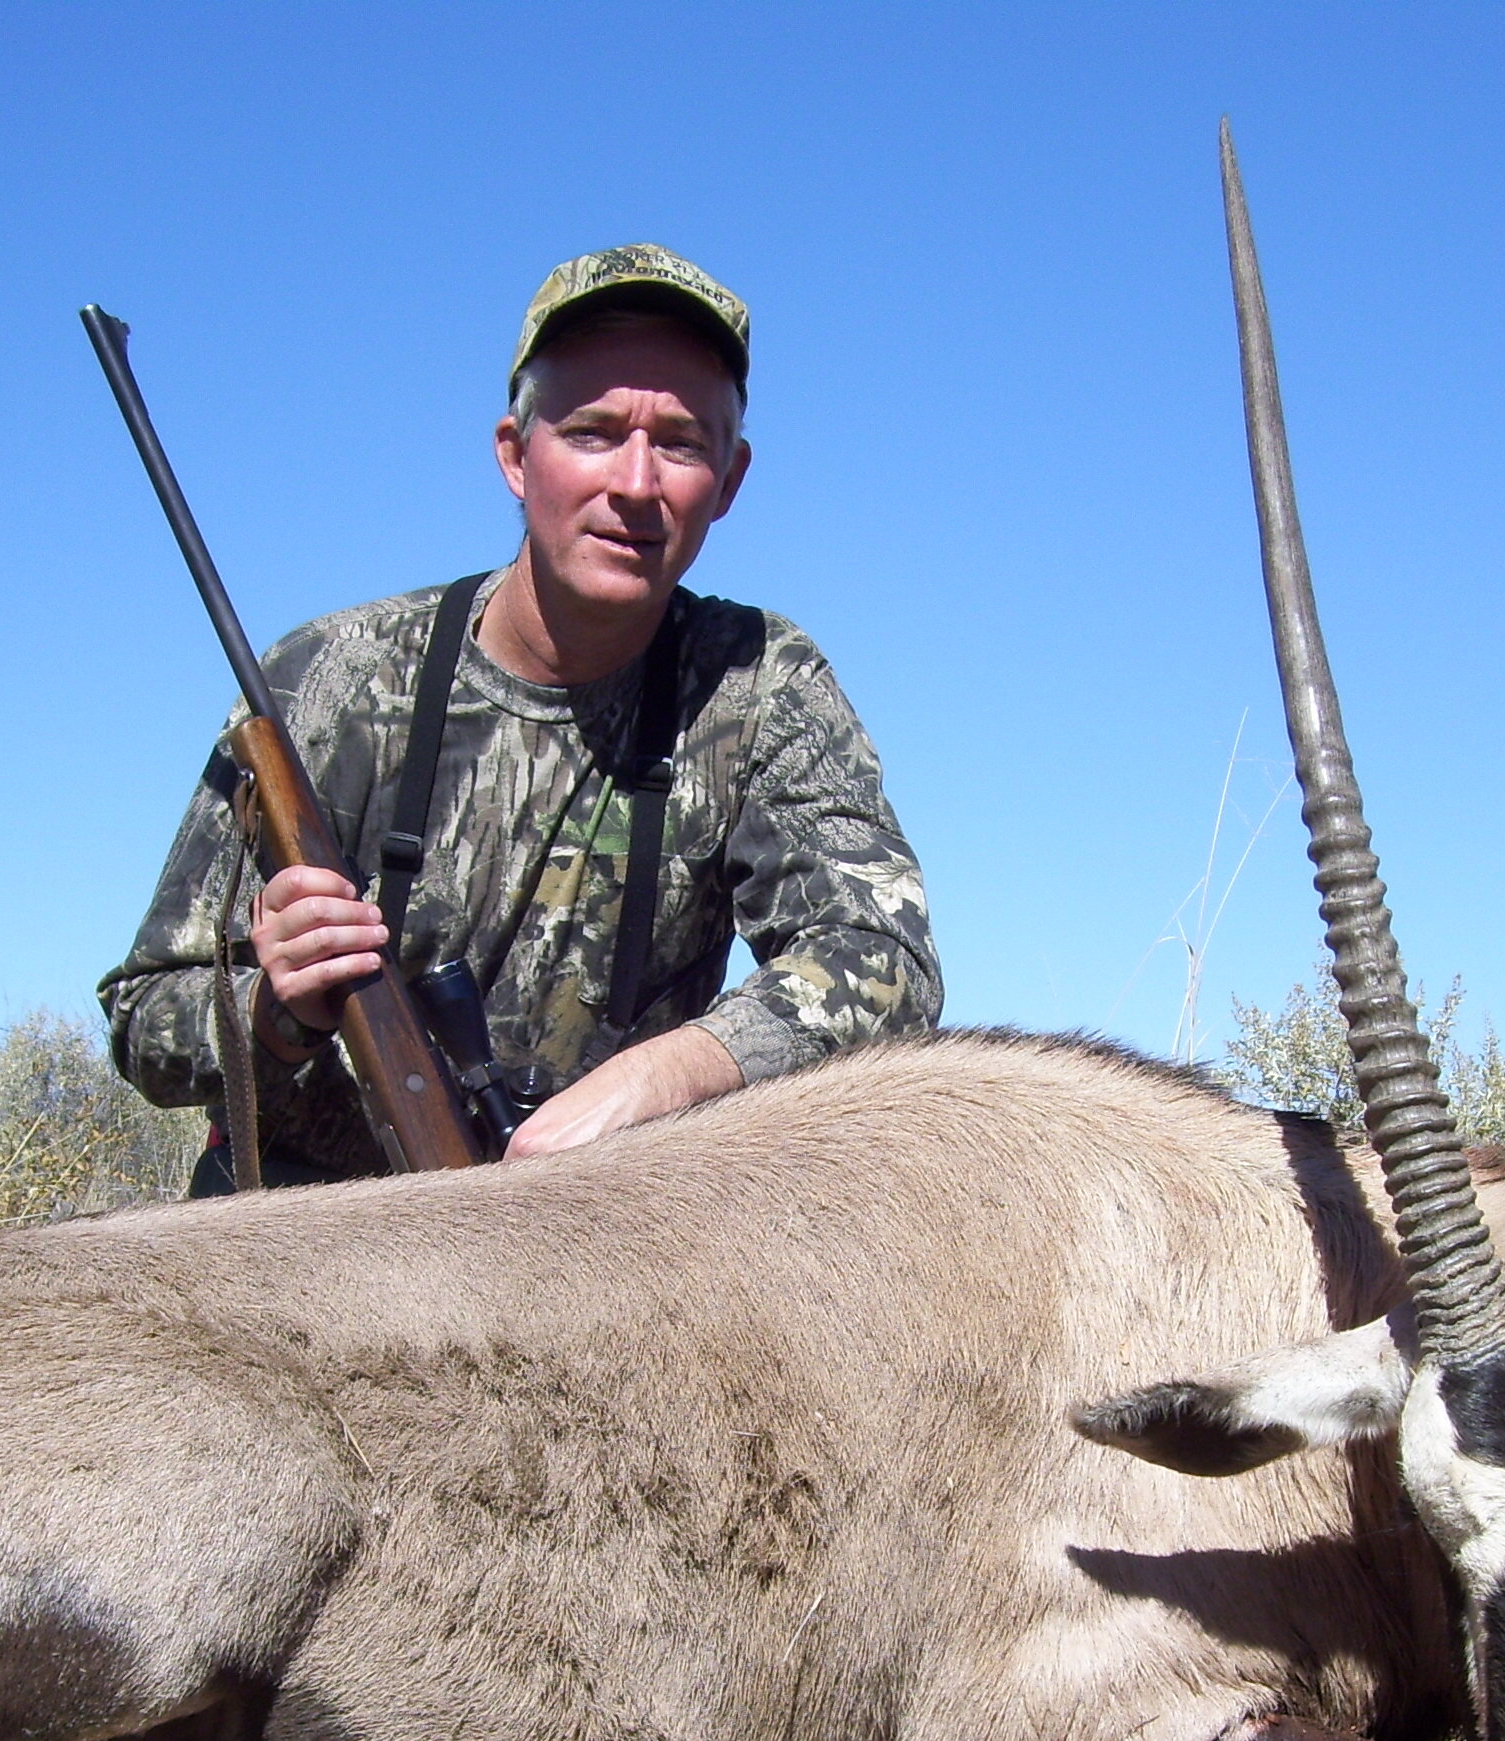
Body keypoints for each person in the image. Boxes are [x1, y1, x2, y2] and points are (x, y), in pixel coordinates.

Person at [101, 245, 941, 1186]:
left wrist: (659, 1079)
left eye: (681, 443)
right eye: (591, 432)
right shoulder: (328, 677)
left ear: (730, 480)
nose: (635, 484)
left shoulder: (759, 683)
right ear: (515, 454)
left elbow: (883, 962)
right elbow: (147, 1024)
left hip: (587, 1232)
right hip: (307, 1231)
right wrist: (276, 1010)